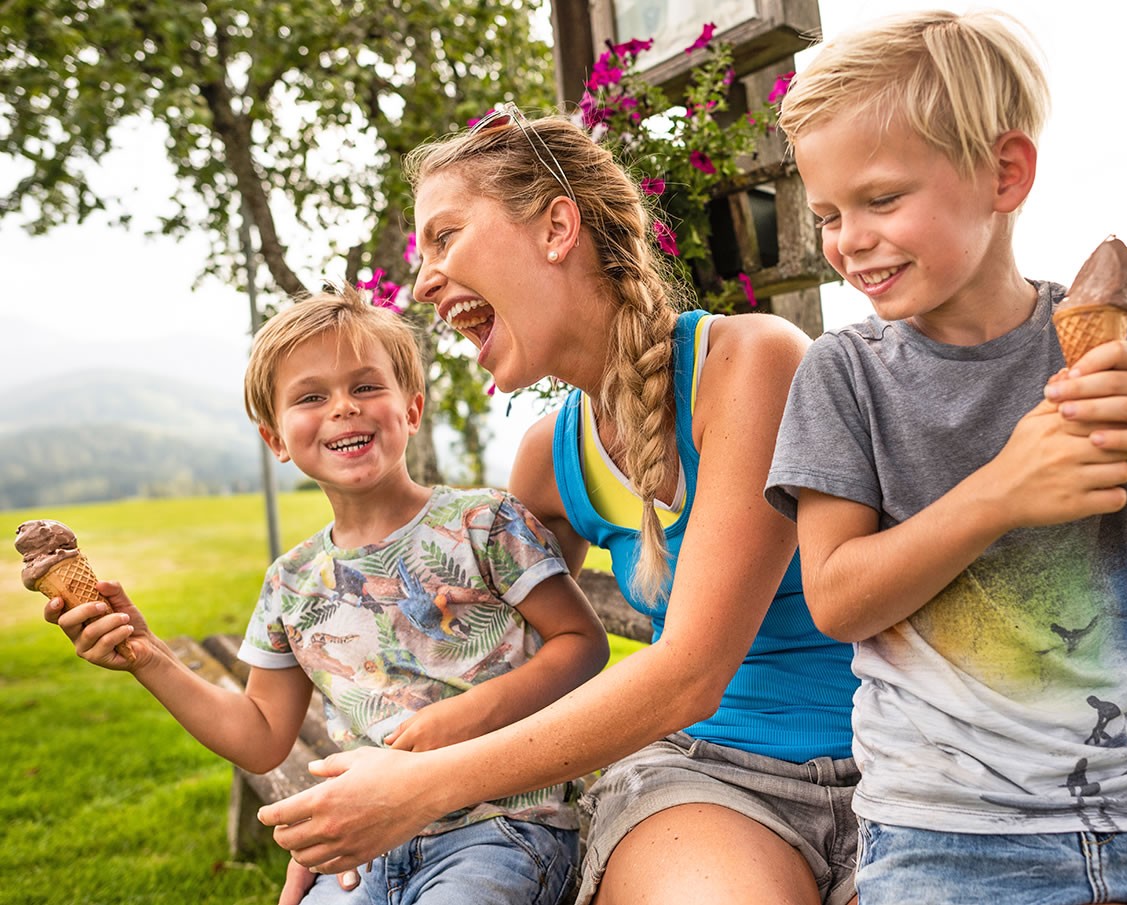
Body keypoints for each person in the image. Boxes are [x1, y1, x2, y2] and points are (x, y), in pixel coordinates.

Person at [257, 107, 863, 905]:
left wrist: (414, 788)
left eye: (444, 237)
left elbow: (689, 672)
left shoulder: (748, 362)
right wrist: (359, 802)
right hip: (707, 786)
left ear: (556, 227)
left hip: (901, 768)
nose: (423, 280)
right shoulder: (551, 458)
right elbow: (477, 671)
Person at [764, 10, 1127, 905]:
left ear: (1005, 173)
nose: (850, 240)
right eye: (830, 215)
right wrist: (998, 493)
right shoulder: (844, 375)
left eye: (881, 199)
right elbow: (837, 597)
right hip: (944, 832)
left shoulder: (1115, 338)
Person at [46, 286, 610, 905]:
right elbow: (260, 736)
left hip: (502, 831)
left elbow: (581, 644)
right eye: (312, 396)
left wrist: (457, 719)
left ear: (412, 409)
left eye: (366, 386)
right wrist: (147, 655)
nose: (344, 408)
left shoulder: (486, 524)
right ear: (276, 440)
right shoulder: (290, 582)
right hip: (364, 844)